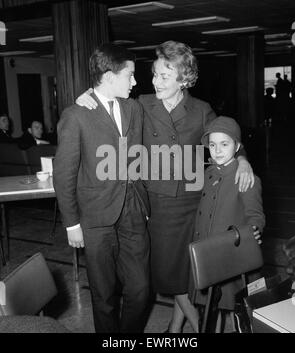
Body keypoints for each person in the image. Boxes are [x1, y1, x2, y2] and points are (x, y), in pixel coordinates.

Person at [76, 40, 254, 333]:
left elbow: (226, 138)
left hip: (193, 205)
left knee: (188, 275)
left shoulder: (201, 110)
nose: (155, 81)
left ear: (183, 79)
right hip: (156, 207)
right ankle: (201, 330)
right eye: (155, 74)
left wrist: (243, 159)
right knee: (170, 278)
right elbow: (105, 99)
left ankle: (174, 329)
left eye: (164, 76)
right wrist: (86, 96)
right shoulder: (142, 104)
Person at [53, 44, 150, 333]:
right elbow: (64, 173)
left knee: (141, 289)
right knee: (104, 295)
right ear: (109, 76)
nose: (135, 82)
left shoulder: (135, 107)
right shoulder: (76, 115)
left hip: (132, 210)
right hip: (95, 219)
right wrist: (72, 224)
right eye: (130, 75)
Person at [189, 116, 265, 329]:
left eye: (225, 144)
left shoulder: (246, 178)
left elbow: (256, 216)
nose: (217, 150)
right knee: (207, 313)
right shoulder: (209, 172)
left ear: (237, 146)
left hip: (230, 259)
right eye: (212, 145)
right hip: (207, 257)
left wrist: (254, 231)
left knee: (236, 310)